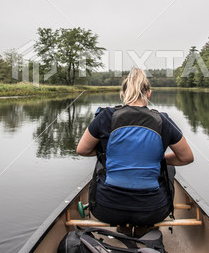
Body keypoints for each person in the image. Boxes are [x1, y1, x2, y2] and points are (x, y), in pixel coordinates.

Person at [76, 68, 194, 235]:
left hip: (106, 209)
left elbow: (82, 150)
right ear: (149, 93)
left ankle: (122, 225)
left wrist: (107, 154)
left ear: (123, 94)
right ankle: (144, 226)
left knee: (103, 162)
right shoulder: (163, 120)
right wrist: (159, 160)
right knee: (169, 167)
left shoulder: (105, 116)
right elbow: (186, 158)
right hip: (153, 210)